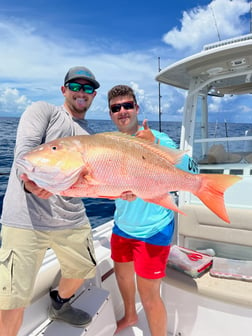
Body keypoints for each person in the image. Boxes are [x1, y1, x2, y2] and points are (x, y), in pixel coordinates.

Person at [0, 66, 101, 336]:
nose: (82, 92)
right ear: (63, 89)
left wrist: (124, 190)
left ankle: (58, 303)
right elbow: (25, 154)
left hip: (71, 218)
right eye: (76, 86)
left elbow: (93, 186)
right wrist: (30, 184)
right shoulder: (44, 111)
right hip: (25, 219)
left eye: (88, 88)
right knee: (13, 300)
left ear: (93, 95)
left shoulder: (90, 137)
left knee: (84, 269)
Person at [107, 85, 198, 336]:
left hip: (153, 230)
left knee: (149, 295)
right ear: (111, 113)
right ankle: (129, 314)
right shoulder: (109, 144)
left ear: (136, 108)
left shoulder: (159, 138)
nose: (122, 111)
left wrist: (155, 143)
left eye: (127, 105)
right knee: (123, 279)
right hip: (122, 225)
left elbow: (192, 168)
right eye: (116, 108)